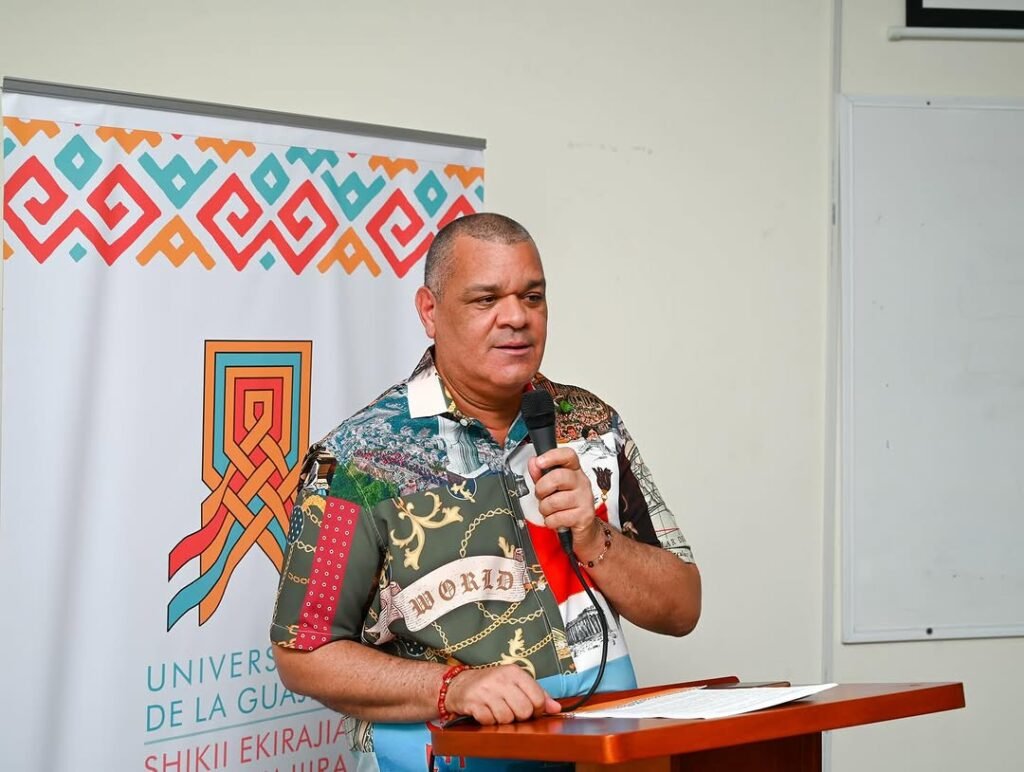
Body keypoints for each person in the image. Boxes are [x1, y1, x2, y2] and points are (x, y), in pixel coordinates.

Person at [271, 213, 701, 771]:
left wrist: (595, 538)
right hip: (440, 756)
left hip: (603, 755)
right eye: (485, 299)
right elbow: (304, 652)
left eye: (533, 296)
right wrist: (454, 688)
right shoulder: (358, 458)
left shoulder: (590, 424)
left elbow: (682, 608)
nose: (516, 318)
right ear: (430, 311)